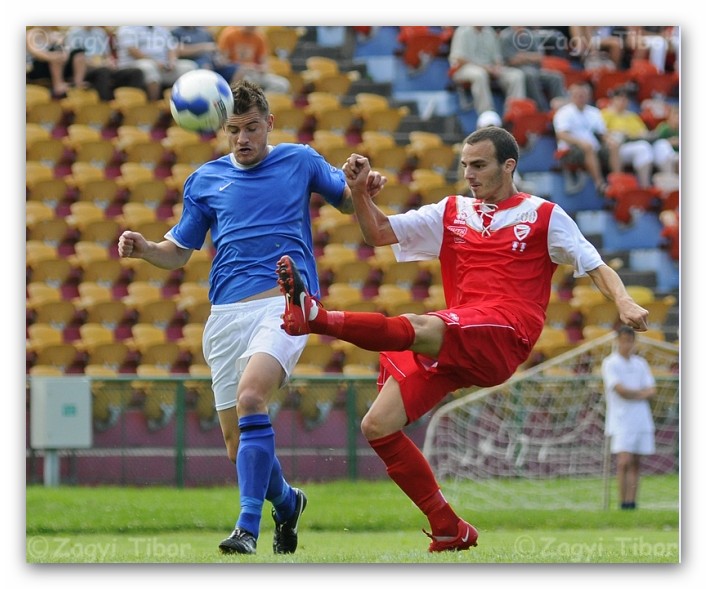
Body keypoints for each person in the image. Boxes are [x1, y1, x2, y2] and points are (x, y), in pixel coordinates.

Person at [275, 126, 649, 552]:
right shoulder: (451, 211)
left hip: (506, 332)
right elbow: (377, 232)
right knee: (377, 425)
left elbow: (595, 265)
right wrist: (359, 192)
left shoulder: (544, 215)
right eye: (465, 165)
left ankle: (318, 318)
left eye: (479, 165)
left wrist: (623, 302)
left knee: (420, 325)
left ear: (508, 166)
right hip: (459, 335)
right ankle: (447, 526)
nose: (469, 174)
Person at [117, 80, 385, 555]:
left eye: (252, 128)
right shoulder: (204, 180)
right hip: (225, 315)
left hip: (285, 304)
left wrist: (361, 185)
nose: (243, 138)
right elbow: (178, 252)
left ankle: (246, 527)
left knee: (251, 397)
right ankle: (287, 502)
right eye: (234, 130)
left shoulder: (299, 160)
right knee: (235, 447)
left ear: (270, 125)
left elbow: (346, 200)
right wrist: (145, 250)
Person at [601, 325, 656, 510]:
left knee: (636, 462)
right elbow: (620, 390)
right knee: (624, 461)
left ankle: (631, 503)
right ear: (618, 341)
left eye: (630, 341)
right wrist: (641, 394)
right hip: (621, 419)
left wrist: (637, 394)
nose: (627, 344)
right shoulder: (610, 363)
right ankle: (622, 502)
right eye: (624, 341)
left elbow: (652, 390)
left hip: (641, 417)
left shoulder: (640, 363)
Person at [600, 86, 678, 188]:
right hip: (619, 147)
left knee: (661, 144)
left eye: (625, 99)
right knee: (642, 148)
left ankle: (670, 182)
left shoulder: (633, 116)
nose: (623, 101)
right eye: (620, 98)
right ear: (613, 100)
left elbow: (644, 132)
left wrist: (640, 135)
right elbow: (602, 134)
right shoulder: (605, 114)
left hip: (636, 142)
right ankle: (645, 186)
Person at [448, 26, 526, 115]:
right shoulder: (462, 31)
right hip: (463, 68)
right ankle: (487, 114)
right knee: (480, 74)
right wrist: (485, 68)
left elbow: (497, 57)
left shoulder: (489, 31)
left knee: (516, 75)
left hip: (489, 67)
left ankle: (514, 114)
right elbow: (460, 59)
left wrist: (497, 67)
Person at [553, 82, 613, 194]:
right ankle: (599, 183)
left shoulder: (594, 112)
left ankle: (617, 180)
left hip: (594, 147)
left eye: (583, 95)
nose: (580, 98)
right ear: (571, 96)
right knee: (588, 147)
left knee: (614, 145)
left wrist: (609, 140)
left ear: (588, 96)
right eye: (577, 95)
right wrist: (580, 142)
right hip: (569, 150)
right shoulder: (563, 112)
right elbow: (561, 135)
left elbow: (602, 133)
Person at [114, 26, 198, 100]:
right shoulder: (128, 28)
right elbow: (133, 51)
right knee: (149, 67)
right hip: (134, 65)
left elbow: (172, 48)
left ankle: (187, 103)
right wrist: (155, 63)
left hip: (163, 65)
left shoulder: (161, 29)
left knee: (189, 67)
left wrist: (172, 62)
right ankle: (153, 105)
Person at [64, 26, 146, 101]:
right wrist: (95, 63)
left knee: (136, 72)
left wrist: (111, 62)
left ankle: (133, 104)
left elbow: (107, 55)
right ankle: (105, 104)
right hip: (84, 69)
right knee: (103, 72)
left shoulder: (100, 33)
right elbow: (76, 57)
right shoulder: (74, 33)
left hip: (103, 65)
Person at [498, 26, 567, 112]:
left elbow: (540, 57)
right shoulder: (506, 36)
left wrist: (523, 56)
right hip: (516, 69)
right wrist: (530, 57)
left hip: (535, 69)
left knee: (556, 77)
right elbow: (511, 60)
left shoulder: (530, 35)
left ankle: (562, 110)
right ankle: (542, 110)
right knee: (530, 74)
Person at [217, 26, 291, 93]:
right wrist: (242, 67)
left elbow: (264, 63)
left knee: (282, 84)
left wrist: (260, 68)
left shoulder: (259, 37)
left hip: (255, 72)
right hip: (238, 73)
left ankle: (262, 101)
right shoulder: (230, 34)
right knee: (247, 84)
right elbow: (223, 62)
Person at [26, 26, 84, 98]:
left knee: (78, 52)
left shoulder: (56, 35)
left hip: (57, 65)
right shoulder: (30, 34)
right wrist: (54, 56)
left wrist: (64, 55)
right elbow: (36, 53)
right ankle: (58, 85)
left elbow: (65, 50)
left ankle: (78, 82)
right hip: (37, 67)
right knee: (56, 53)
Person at [170, 26, 237, 82]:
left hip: (213, 63)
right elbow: (177, 50)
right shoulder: (175, 32)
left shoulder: (205, 33)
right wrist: (203, 47)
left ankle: (233, 93)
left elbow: (215, 48)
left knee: (238, 69)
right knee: (205, 66)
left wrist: (220, 58)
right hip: (194, 63)